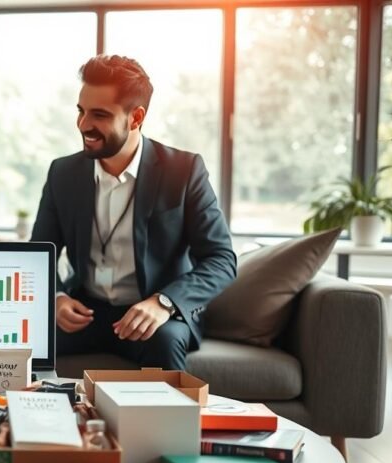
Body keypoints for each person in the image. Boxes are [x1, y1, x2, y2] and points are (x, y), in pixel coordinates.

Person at [31, 55, 237, 370]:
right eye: (81, 111)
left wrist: (164, 302)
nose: (84, 124)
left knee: (165, 344)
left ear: (136, 117)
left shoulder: (184, 171)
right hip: (87, 312)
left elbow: (222, 260)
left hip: (154, 314)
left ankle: (163, 421)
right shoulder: (62, 173)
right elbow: (36, 254)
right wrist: (56, 298)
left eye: (99, 114)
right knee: (18, 340)